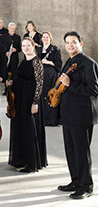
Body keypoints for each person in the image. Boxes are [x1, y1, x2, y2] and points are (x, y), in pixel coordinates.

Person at [57, 31, 98, 199]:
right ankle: (75, 181)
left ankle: (86, 186)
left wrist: (70, 84)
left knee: (82, 152)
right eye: (67, 42)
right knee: (71, 150)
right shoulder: (69, 61)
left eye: (74, 42)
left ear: (81, 43)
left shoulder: (89, 64)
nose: (70, 45)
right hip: (68, 113)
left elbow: (93, 90)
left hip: (82, 114)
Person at [6, 37, 47, 173]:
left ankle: (31, 163)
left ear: (33, 46)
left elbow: (40, 84)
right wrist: (12, 83)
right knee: (20, 127)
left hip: (30, 100)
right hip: (20, 99)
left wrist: (35, 102)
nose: (25, 48)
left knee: (29, 129)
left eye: (28, 45)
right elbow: (21, 78)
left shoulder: (36, 61)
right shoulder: (24, 60)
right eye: (23, 46)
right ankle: (21, 159)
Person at [37, 31, 62, 126]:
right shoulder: (38, 49)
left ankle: (51, 120)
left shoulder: (54, 49)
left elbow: (58, 63)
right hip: (41, 75)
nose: (45, 38)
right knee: (41, 96)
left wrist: (47, 61)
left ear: (50, 38)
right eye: (44, 37)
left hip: (51, 75)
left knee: (50, 96)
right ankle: (42, 119)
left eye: (47, 37)